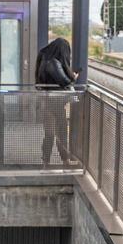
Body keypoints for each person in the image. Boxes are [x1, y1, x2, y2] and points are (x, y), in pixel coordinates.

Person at [34, 37, 76, 168]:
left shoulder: (43, 57)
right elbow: (65, 81)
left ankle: (46, 162)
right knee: (61, 132)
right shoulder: (53, 62)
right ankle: (65, 161)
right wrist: (74, 77)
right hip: (56, 102)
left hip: (46, 101)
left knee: (49, 134)